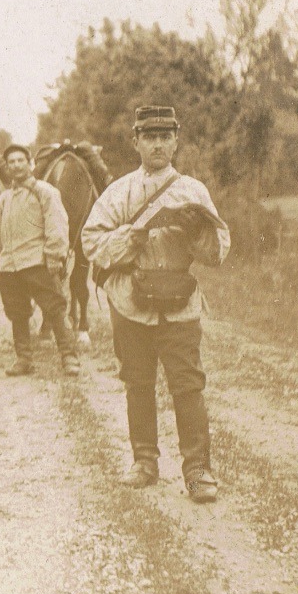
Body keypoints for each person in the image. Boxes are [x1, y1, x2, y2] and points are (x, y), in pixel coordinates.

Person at [82, 105, 231, 503]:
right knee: (137, 382)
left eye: (166, 137)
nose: (159, 144)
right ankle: (144, 461)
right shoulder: (119, 192)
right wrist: (127, 238)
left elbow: (219, 251)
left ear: (177, 140)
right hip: (131, 301)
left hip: (179, 304)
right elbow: (90, 242)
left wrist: (195, 232)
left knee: (187, 385)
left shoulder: (192, 191)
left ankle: (198, 470)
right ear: (136, 141)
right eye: (150, 137)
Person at [0, 144, 80, 377]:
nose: (16, 165)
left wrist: (54, 256)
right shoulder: (4, 199)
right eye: (11, 162)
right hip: (10, 266)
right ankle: (24, 359)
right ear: (7, 168)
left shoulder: (45, 191)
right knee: (17, 312)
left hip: (37, 262)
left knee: (55, 308)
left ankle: (69, 357)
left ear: (29, 164)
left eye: (21, 160)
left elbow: (57, 224)